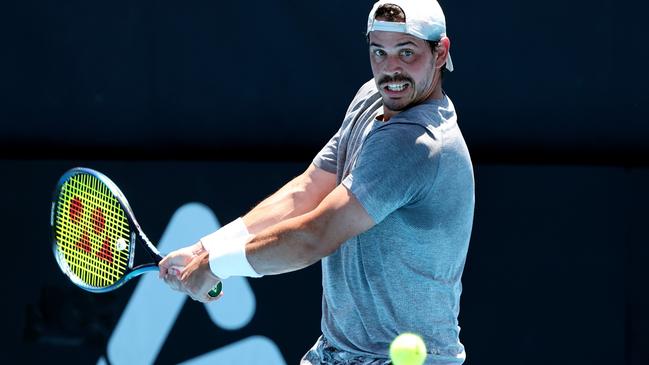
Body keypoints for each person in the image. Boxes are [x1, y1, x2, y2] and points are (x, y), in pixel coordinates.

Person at [159, 0, 474, 364]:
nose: (391, 69)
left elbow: (315, 235)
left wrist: (216, 264)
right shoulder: (371, 98)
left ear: (440, 53)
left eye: (407, 52)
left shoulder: (417, 143)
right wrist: (205, 248)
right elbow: (305, 191)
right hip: (336, 351)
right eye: (379, 52)